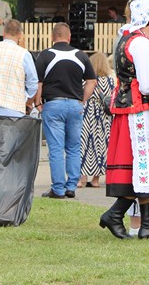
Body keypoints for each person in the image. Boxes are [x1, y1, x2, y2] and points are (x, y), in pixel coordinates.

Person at [98, 0, 149, 239]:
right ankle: (117, 215)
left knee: (144, 168)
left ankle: (147, 224)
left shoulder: (128, 37)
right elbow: (147, 84)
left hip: (130, 108)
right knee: (144, 165)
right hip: (139, 110)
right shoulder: (140, 43)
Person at [35, 22, 97, 200]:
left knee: (56, 148)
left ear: (52, 37)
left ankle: (58, 189)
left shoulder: (45, 55)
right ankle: (71, 186)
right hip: (75, 105)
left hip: (53, 104)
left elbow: (38, 82)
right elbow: (92, 81)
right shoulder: (81, 55)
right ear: (69, 37)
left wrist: (38, 102)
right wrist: (82, 99)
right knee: (74, 147)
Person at [0, 20, 38, 118]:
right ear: (20, 35)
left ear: (3, 32)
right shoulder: (24, 54)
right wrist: (27, 101)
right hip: (14, 108)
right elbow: (33, 83)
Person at [79, 51, 114, 189]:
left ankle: (82, 177)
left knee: (84, 144)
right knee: (102, 146)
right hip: (104, 116)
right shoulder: (111, 80)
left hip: (88, 114)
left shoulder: (86, 80)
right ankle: (96, 179)